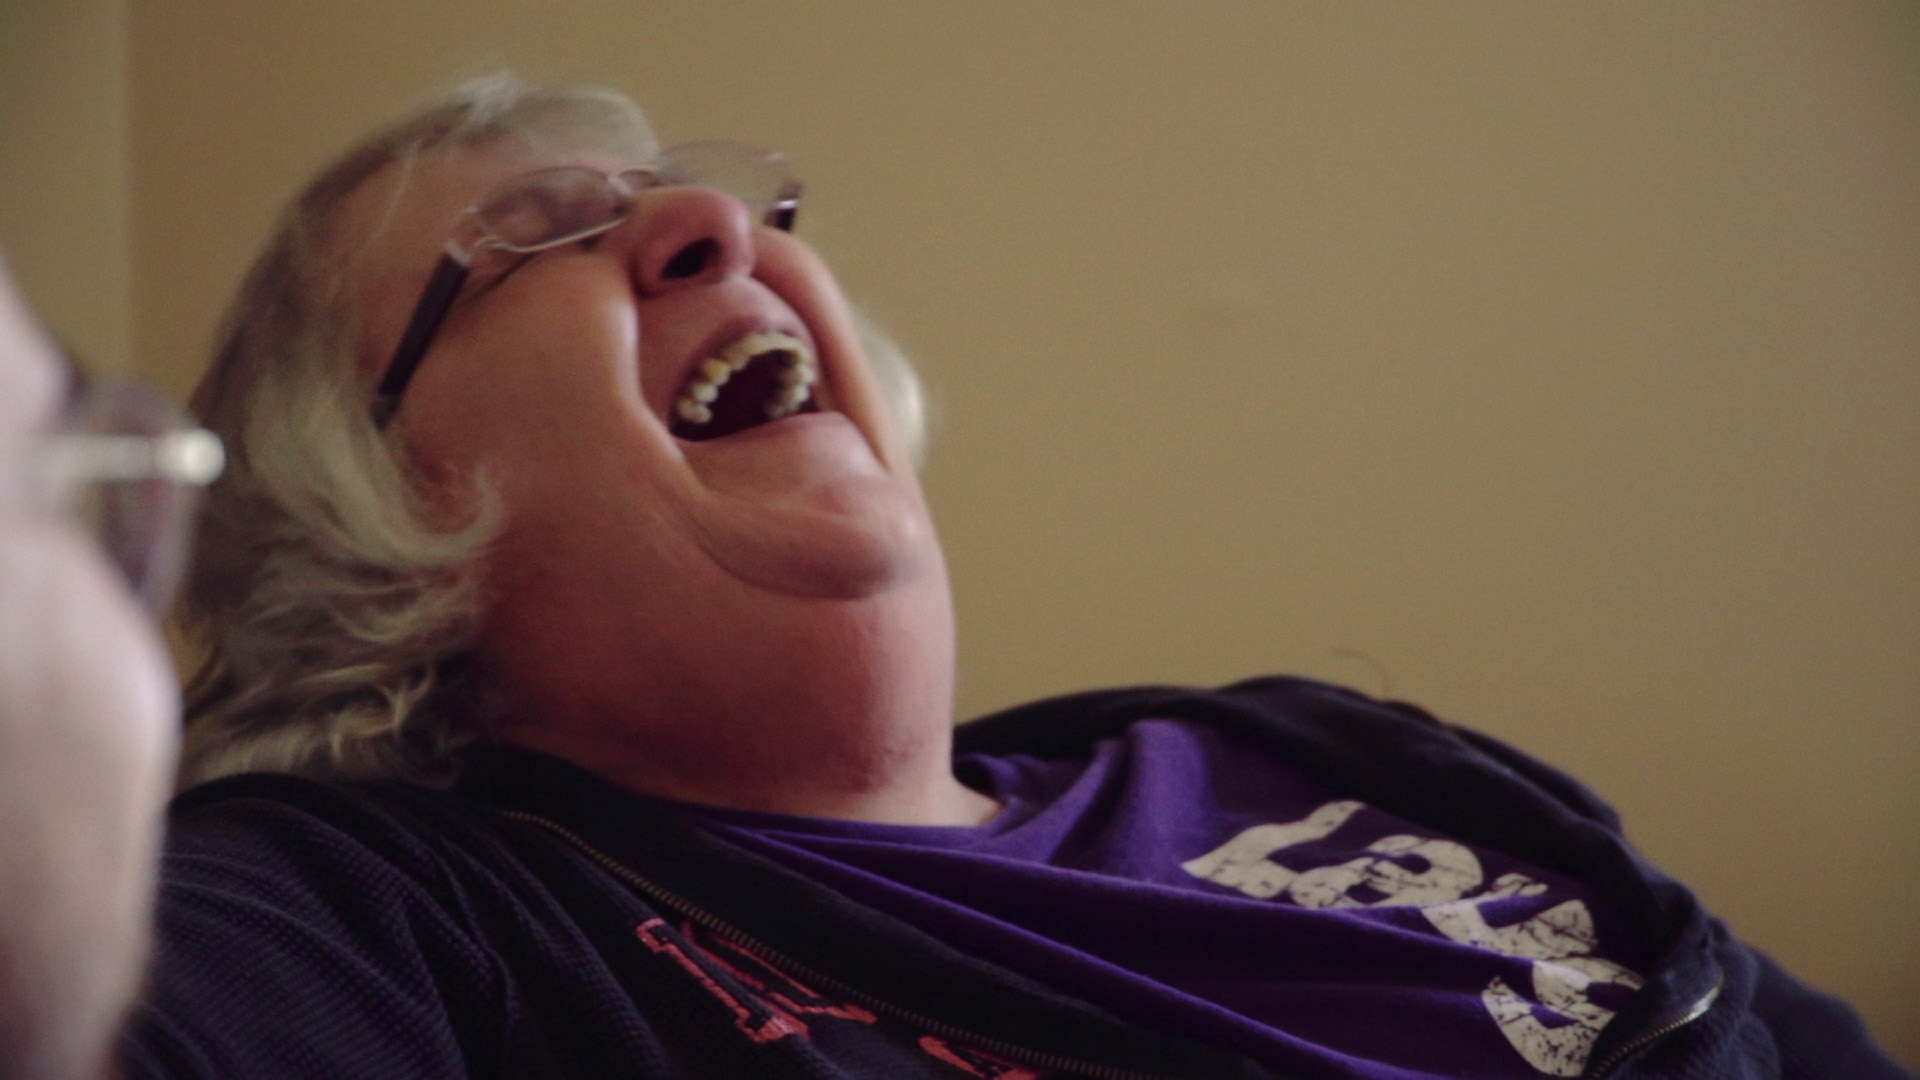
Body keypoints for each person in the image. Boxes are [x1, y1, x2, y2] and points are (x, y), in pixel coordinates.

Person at [5, 74, 1905, 1077]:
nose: (713, 223)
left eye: (728, 201)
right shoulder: (383, 916)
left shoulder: (1312, 751)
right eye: (532, 240)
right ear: (361, 516)